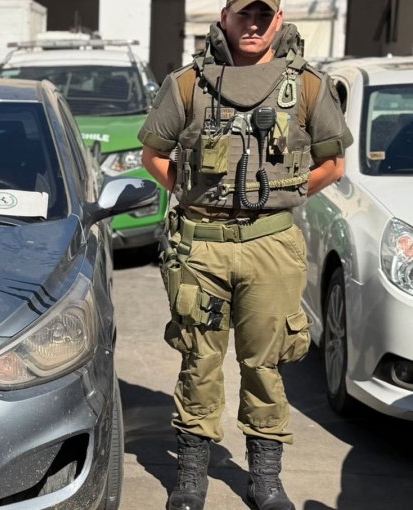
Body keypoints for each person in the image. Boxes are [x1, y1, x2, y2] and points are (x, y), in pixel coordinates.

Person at [137, 1, 353, 509]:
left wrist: (283, 198)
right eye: (243, 15)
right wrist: (192, 196)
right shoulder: (188, 83)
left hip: (271, 245)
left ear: (278, 20)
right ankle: (191, 477)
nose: (252, 25)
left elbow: (334, 163)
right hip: (201, 247)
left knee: (266, 363)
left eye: (263, 15)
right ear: (224, 17)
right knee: (198, 360)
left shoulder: (306, 86)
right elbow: (154, 154)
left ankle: (265, 478)